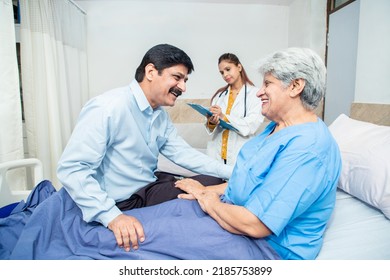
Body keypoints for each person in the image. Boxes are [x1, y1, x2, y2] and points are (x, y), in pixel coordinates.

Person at [56, 44, 232, 252]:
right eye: (177, 77)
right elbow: (73, 168)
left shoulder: (158, 114)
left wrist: (235, 172)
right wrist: (112, 216)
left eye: (185, 80)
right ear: (150, 72)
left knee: (215, 182)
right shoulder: (109, 107)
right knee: (202, 204)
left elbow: (182, 153)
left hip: (148, 187)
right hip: (124, 201)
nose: (183, 87)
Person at [175, 47, 342, 260]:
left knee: (147, 240)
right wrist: (206, 190)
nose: (259, 91)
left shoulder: (309, 147)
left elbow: (256, 224)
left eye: (268, 83)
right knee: (169, 211)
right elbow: (250, 181)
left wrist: (207, 199)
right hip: (235, 214)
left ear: (295, 86)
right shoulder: (275, 127)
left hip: (268, 248)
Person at [205, 53, 264, 165]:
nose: (225, 74)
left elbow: (250, 126)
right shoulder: (219, 95)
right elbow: (210, 128)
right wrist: (211, 122)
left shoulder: (255, 95)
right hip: (217, 155)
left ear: (239, 67)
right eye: (222, 72)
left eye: (228, 69)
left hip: (240, 153)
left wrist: (224, 117)